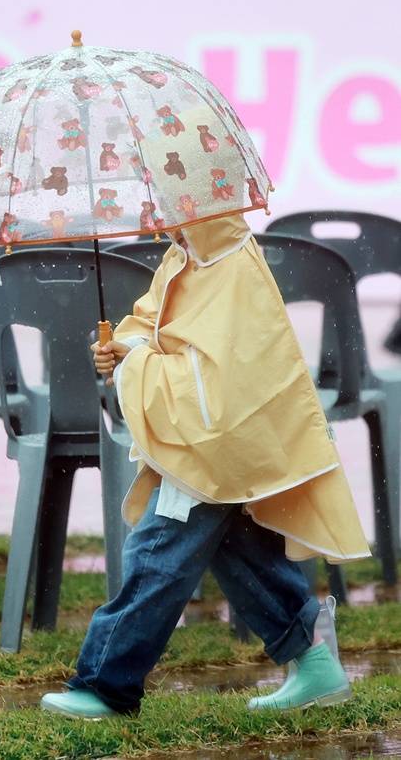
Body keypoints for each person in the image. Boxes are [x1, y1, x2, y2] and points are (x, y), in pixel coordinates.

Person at [41, 213, 371, 719]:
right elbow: (157, 327)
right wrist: (124, 349)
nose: (164, 217)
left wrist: (136, 365)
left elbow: (217, 377)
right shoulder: (185, 256)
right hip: (209, 441)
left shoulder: (230, 265)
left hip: (212, 439)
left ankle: (105, 684)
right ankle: (312, 658)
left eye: (173, 200)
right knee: (238, 547)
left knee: (158, 552)